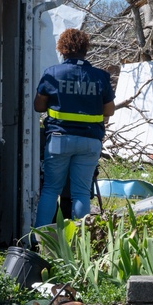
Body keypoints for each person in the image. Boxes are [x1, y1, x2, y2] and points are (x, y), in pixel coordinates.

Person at [33, 28, 114, 228]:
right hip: (90, 141)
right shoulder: (100, 76)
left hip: (59, 140)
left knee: (51, 190)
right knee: (81, 192)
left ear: (62, 49)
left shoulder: (52, 73)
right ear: (86, 49)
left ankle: (40, 240)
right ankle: (80, 244)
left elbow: (38, 106)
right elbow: (109, 110)